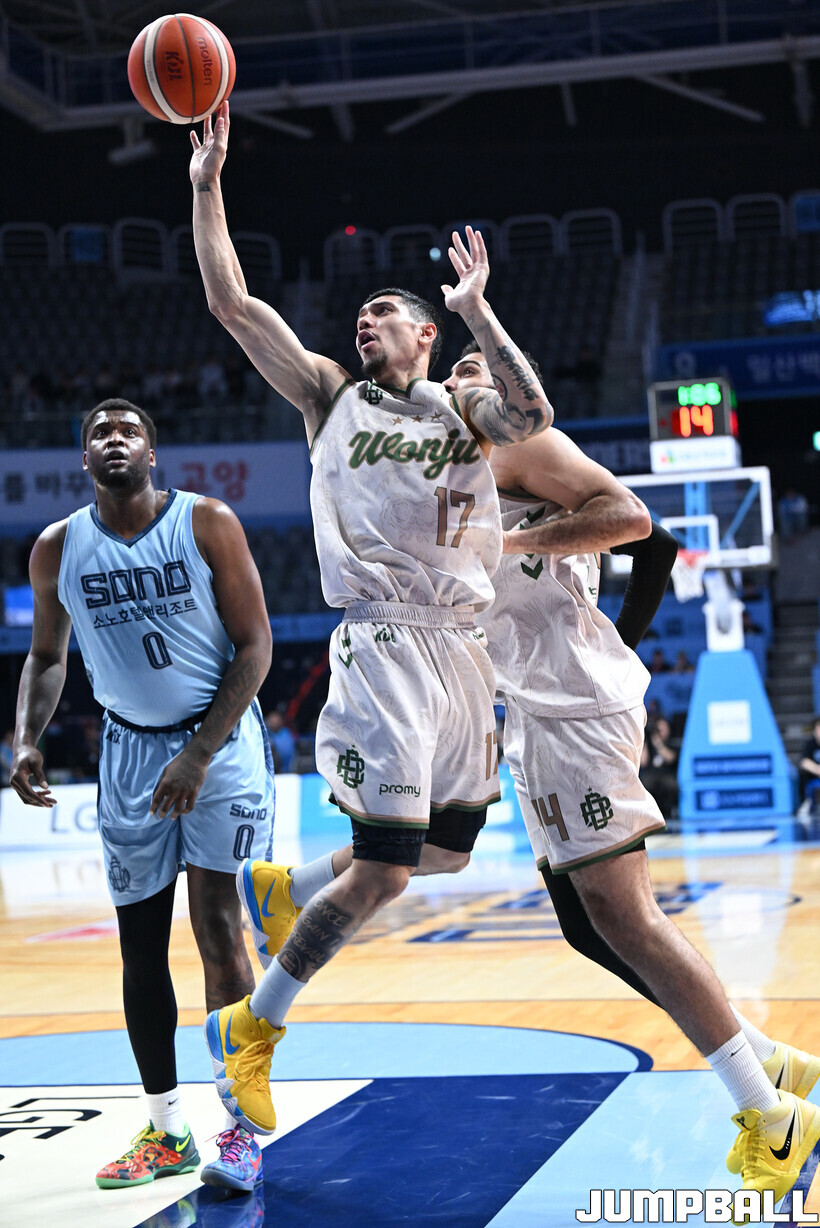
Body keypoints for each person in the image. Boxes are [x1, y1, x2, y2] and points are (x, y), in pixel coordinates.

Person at [188, 102, 553, 1140]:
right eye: (359, 314)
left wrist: (480, 312)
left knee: (446, 856)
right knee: (387, 866)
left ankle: (286, 890)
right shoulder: (328, 396)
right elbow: (231, 303)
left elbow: (534, 416)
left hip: (462, 651)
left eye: (385, 313)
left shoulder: (465, 407)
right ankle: (254, 1029)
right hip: (384, 640)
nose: (365, 322)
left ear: (426, 335)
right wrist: (208, 185)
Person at [440, 343, 820, 1210]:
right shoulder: (450, 475)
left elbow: (650, 532)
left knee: (627, 917)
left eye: (474, 366)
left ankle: (771, 1115)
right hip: (532, 709)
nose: (460, 376)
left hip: (573, 702)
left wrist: (615, 646)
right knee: (586, 927)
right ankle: (763, 1056)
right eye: (453, 369)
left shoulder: (523, 445)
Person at [9, 398, 276, 1194]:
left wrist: (197, 754)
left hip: (218, 744)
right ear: (83, 458)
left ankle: (240, 1132)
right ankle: (166, 1129)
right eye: (100, 433)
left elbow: (257, 646)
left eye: (129, 431)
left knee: (220, 929)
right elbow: (46, 657)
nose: (115, 440)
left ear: (153, 454)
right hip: (128, 753)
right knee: (139, 948)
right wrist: (26, 738)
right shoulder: (57, 547)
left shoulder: (207, 522)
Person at [639, 714, 679, 819]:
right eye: (658, 730)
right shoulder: (649, 743)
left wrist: (658, 743)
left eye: (663, 729)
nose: (661, 732)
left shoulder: (672, 743)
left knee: (669, 784)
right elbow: (643, 762)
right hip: (650, 775)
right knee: (645, 783)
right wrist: (645, 741)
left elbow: (670, 758)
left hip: (666, 774)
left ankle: (669, 814)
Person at [797, 715, 820, 819]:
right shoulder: (810, 744)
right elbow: (804, 762)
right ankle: (807, 801)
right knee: (802, 773)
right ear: (814, 730)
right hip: (813, 778)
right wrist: (817, 769)